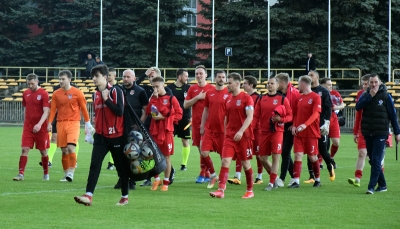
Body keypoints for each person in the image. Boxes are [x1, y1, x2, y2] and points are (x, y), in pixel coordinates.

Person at [74, 65, 130, 206]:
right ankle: (88, 195)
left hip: (117, 136)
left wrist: (107, 100)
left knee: (120, 167)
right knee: (95, 165)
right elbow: (98, 114)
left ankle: (124, 197)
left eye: (97, 76)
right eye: (93, 76)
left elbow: (119, 112)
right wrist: (92, 128)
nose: (94, 79)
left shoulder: (116, 91)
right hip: (100, 137)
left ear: (105, 77)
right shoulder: (95, 94)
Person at [209, 72, 255, 199]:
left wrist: (240, 131)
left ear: (237, 83)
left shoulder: (247, 98)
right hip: (230, 136)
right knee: (225, 161)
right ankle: (221, 190)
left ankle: (250, 190)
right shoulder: (228, 98)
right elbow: (226, 117)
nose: (227, 85)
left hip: (244, 136)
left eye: (229, 83)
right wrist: (225, 131)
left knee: (246, 163)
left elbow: (250, 117)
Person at [355, 74, 400, 194]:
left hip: (381, 132)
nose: (373, 85)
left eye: (375, 82)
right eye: (371, 82)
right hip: (368, 132)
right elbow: (358, 107)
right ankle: (383, 185)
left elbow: (393, 116)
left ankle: (371, 187)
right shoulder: (365, 95)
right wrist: (370, 96)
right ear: (368, 83)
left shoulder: (386, 96)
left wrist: (397, 132)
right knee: (372, 160)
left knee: (375, 159)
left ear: (380, 82)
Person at [47, 70, 92, 182]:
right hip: (60, 123)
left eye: (63, 79)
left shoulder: (78, 93)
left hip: (74, 123)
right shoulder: (56, 93)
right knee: (63, 150)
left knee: (71, 147)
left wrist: (88, 123)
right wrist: (49, 123)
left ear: (69, 80)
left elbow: (84, 109)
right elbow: (53, 110)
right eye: (60, 79)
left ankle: (71, 172)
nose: (61, 81)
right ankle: (66, 173)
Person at [135, 66, 174, 187]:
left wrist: (164, 118)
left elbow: (172, 112)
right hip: (149, 126)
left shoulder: (168, 94)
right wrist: (144, 75)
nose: (152, 80)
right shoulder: (147, 89)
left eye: (154, 77)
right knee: (148, 153)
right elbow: (134, 84)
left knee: (164, 154)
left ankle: (169, 175)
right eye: (150, 77)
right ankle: (151, 178)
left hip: (163, 128)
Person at [253, 77, 292, 191]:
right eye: (268, 83)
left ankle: (271, 183)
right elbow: (256, 115)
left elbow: (290, 116)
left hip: (277, 132)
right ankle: (275, 179)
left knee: (276, 156)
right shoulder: (262, 98)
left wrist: (281, 119)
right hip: (263, 132)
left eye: (272, 83)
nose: (269, 85)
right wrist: (251, 128)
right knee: (262, 158)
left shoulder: (282, 99)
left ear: (277, 85)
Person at [112, 69, 148, 190]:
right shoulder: (118, 90)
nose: (125, 79)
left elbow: (146, 110)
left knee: (133, 154)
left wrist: (139, 124)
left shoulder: (140, 91)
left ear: (134, 78)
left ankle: (132, 181)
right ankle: (122, 179)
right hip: (120, 126)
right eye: (124, 77)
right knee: (120, 155)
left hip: (134, 128)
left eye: (128, 77)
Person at [145, 76, 182, 191]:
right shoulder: (153, 98)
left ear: (163, 85)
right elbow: (148, 112)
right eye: (153, 87)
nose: (155, 89)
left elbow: (179, 114)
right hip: (154, 131)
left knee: (166, 157)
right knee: (151, 156)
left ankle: (166, 182)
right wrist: (154, 99)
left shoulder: (171, 98)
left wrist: (166, 119)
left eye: (157, 86)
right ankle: (156, 179)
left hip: (166, 132)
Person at [13, 73, 50, 181]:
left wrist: (39, 124)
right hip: (28, 127)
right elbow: (26, 108)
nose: (30, 86)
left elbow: (46, 111)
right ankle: (21, 174)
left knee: (43, 151)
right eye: (28, 84)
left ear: (37, 82)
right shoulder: (25, 93)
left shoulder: (43, 93)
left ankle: (46, 173)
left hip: (41, 127)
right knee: (24, 149)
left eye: (32, 84)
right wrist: (26, 122)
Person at [288, 75, 322, 188]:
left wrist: (305, 125)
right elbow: (296, 114)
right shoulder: (300, 97)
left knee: (312, 157)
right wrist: (294, 125)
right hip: (299, 133)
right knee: (298, 155)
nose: (298, 86)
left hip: (311, 133)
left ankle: (317, 179)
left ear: (303, 84)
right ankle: (296, 181)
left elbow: (316, 114)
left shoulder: (316, 97)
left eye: (298, 83)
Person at [184, 65, 215, 183]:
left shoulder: (211, 89)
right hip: (196, 123)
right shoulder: (192, 89)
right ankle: (207, 173)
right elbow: (186, 105)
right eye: (197, 73)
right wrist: (198, 97)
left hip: (208, 124)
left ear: (206, 75)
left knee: (203, 149)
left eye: (201, 73)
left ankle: (203, 173)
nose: (199, 76)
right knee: (200, 149)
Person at [41, 82, 80, 173]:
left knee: (72, 142)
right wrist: (49, 122)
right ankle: (49, 160)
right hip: (58, 118)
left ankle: (74, 160)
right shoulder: (57, 90)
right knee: (54, 138)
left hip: (71, 120)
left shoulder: (74, 91)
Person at [199, 70, 229, 189]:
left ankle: (223, 180)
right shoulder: (209, 92)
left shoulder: (229, 93)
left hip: (223, 130)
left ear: (225, 79)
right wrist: (202, 125)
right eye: (219, 77)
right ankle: (213, 175)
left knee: (224, 157)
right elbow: (205, 110)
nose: (221, 79)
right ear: (215, 78)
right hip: (209, 129)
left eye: (223, 77)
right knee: (204, 152)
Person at [305, 70, 335, 184]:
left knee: (322, 150)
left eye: (311, 75)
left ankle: (329, 166)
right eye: (308, 75)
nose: (309, 77)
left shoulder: (324, 91)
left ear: (317, 77)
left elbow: (328, 108)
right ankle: (312, 175)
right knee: (310, 150)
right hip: (309, 125)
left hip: (320, 124)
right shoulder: (305, 91)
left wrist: (326, 122)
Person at [274, 73, 300, 187]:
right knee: (285, 152)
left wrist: (294, 124)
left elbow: (298, 111)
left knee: (285, 151)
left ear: (282, 83)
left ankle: (282, 178)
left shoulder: (294, 94)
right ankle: (294, 177)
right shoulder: (279, 93)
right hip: (281, 125)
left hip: (290, 125)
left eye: (276, 82)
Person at [167, 69, 191, 171]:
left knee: (185, 141)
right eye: (186, 76)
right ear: (179, 77)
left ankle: (184, 165)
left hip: (185, 118)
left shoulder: (189, 88)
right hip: (172, 118)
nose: (187, 78)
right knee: (169, 140)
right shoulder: (169, 88)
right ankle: (168, 164)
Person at [348, 74, 370, 187]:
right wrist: (356, 131)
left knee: (375, 156)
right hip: (363, 129)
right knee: (362, 153)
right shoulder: (360, 94)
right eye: (363, 84)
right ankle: (357, 178)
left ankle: (379, 178)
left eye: (366, 84)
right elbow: (358, 114)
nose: (364, 86)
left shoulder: (381, 95)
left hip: (376, 130)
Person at [240, 76, 263, 185]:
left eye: (245, 83)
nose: (242, 85)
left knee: (258, 154)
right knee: (241, 151)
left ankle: (259, 176)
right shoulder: (242, 97)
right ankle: (237, 176)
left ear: (251, 85)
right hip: (244, 129)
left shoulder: (258, 97)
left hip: (256, 129)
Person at [320, 78, 345, 168]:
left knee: (336, 142)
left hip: (333, 118)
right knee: (322, 141)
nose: (331, 86)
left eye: (331, 84)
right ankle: (320, 162)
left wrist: (337, 107)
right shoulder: (319, 92)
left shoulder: (335, 93)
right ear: (322, 85)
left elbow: (343, 105)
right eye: (329, 84)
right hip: (321, 118)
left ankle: (331, 157)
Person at [106, 67, 118, 170]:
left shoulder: (118, 88)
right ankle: (111, 162)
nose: (108, 77)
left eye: (109, 75)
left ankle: (112, 162)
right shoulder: (104, 88)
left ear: (114, 75)